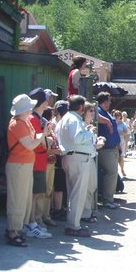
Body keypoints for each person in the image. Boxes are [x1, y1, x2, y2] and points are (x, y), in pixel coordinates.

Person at [5, 94, 51, 246]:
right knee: (17, 199)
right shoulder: (17, 124)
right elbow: (31, 145)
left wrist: (43, 132)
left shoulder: (23, 122)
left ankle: (16, 229)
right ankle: (13, 231)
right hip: (18, 165)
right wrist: (43, 134)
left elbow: (32, 139)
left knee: (23, 199)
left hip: (24, 164)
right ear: (25, 109)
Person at [56, 95, 96, 237]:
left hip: (69, 156)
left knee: (72, 193)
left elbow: (57, 134)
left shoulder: (65, 118)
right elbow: (78, 138)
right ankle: (73, 226)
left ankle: (72, 223)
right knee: (78, 194)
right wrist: (89, 133)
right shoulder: (74, 119)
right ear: (80, 107)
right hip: (78, 158)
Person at [25, 88, 55, 239]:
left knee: (36, 194)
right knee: (34, 195)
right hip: (36, 161)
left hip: (40, 161)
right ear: (42, 102)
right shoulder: (33, 119)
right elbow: (38, 143)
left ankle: (33, 223)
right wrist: (47, 140)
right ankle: (30, 224)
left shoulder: (37, 118)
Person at [96, 93, 120, 209]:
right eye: (108, 101)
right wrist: (107, 121)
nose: (110, 103)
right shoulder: (98, 110)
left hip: (111, 148)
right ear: (104, 101)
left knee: (111, 173)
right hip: (106, 149)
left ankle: (108, 198)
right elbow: (95, 116)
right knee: (111, 173)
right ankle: (107, 200)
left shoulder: (105, 113)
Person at [50, 100, 69, 222]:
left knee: (61, 184)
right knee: (58, 184)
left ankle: (60, 207)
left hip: (61, 155)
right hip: (56, 156)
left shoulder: (58, 122)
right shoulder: (54, 123)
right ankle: (57, 209)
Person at [113, 110, 129, 178]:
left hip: (121, 141)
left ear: (120, 116)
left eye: (118, 115)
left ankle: (122, 169)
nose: (117, 117)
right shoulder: (112, 122)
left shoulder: (123, 124)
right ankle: (115, 171)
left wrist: (119, 133)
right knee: (114, 156)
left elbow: (126, 132)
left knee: (121, 157)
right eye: (115, 115)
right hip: (114, 141)